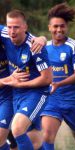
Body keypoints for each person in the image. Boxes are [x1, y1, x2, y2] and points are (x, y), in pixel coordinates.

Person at [41, 3, 75, 150]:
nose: (59, 29)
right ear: (49, 28)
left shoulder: (74, 46)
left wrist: (58, 83)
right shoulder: (44, 48)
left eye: (62, 26)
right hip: (53, 100)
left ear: (67, 27)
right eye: (55, 26)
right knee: (47, 135)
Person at [0, 9, 52, 150]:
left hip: (36, 93)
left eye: (16, 27)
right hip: (17, 93)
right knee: (35, 144)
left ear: (25, 27)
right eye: (9, 27)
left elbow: (47, 78)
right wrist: (9, 81)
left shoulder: (34, 47)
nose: (12, 31)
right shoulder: (4, 33)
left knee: (17, 128)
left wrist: (42, 39)